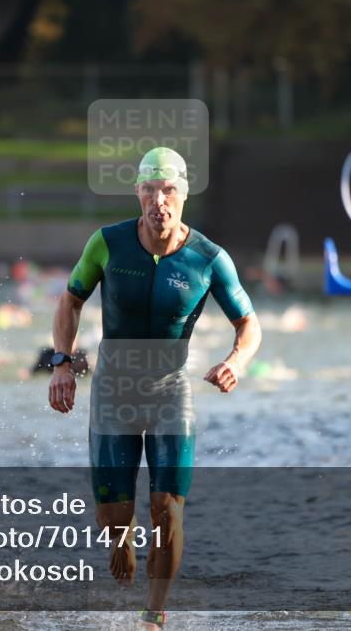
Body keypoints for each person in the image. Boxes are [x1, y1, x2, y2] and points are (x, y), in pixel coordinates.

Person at [48, 147, 262, 629]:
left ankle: (154, 613)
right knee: (113, 514)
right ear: (138, 193)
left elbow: (249, 323)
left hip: (170, 392)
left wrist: (235, 361)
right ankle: (121, 536)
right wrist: (62, 362)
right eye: (149, 190)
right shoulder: (108, 243)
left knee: (168, 509)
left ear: (183, 194)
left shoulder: (208, 258)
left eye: (168, 191)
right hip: (113, 391)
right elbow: (70, 300)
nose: (158, 201)